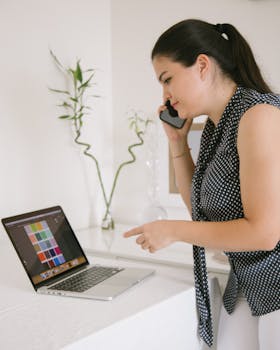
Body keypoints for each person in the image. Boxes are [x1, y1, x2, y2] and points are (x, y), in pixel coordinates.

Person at [124, 19, 280, 349]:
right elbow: (202, 213)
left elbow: (264, 233)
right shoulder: (215, 128)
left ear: (202, 66)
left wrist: (172, 230)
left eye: (167, 80)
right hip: (251, 284)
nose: (165, 96)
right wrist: (177, 143)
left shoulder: (259, 115)